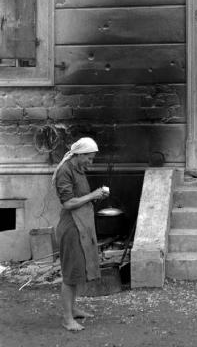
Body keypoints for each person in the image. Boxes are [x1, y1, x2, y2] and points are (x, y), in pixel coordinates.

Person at [52, 137, 109, 331]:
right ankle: (67, 319)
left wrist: (96, 197)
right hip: (71, 228)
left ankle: (73, 308)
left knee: (77, 271)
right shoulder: (64, 171)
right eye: (89, 158)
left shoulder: (78, 169)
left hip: (81, 226)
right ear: (79, 154)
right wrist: (93, 195)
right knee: (70, 274)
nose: (90, 163)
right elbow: (68, 203)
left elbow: (81, 199)